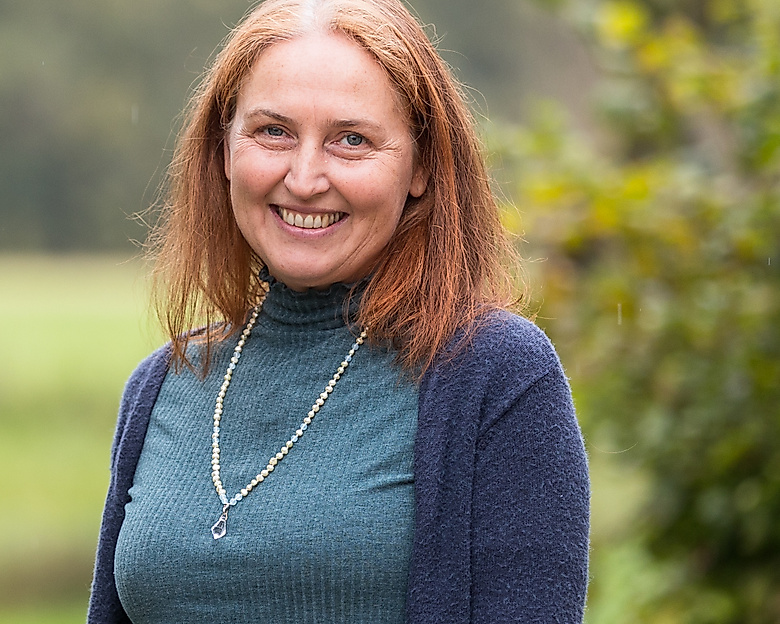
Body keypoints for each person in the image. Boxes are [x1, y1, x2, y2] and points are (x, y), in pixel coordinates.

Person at [88, 0, 590, 621]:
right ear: (223, 151)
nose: (304, 179)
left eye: (351, 140)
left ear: (422, 166)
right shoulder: (161, 386)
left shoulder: (496, 375)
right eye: (273, 132)